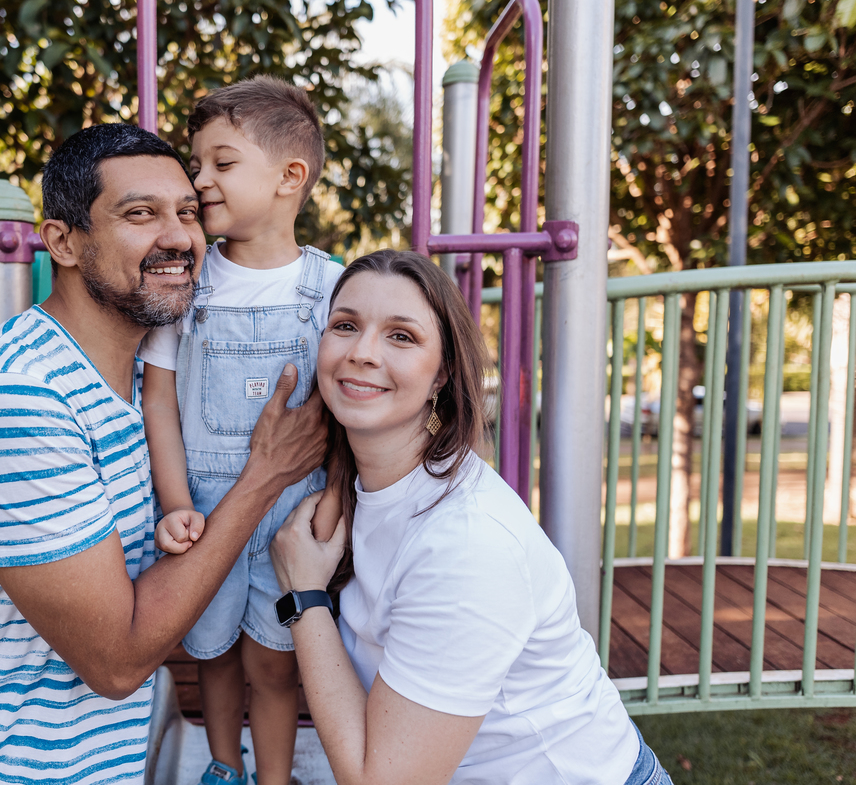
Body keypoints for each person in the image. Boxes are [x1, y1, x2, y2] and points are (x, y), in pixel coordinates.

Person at [0, 123, 327, 784]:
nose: (179, 237)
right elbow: (117, 660)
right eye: (140, 214)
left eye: (187, 212)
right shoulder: (16, 397)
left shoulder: (136, 392)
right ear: (63, 242)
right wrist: (266, 476)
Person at [269, 250, 674, 784]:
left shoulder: (466, 543)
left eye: (401, 336)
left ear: (442, 376)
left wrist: (304, 598)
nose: (362, 352)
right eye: (346, 325)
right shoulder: (363, 487)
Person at [137, 76, 344, 785]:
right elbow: (159, 401)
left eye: (221, 164)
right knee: (213, 655)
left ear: (291, 177)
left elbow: (344, 410)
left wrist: (336, 500)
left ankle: (274, 777)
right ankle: (224, 769)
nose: (200, 182)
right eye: (198, 165)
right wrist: (175, 503)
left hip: (295, 512)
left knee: (274, 660)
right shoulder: (186, 283)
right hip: (207, 505)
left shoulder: (329, 290)